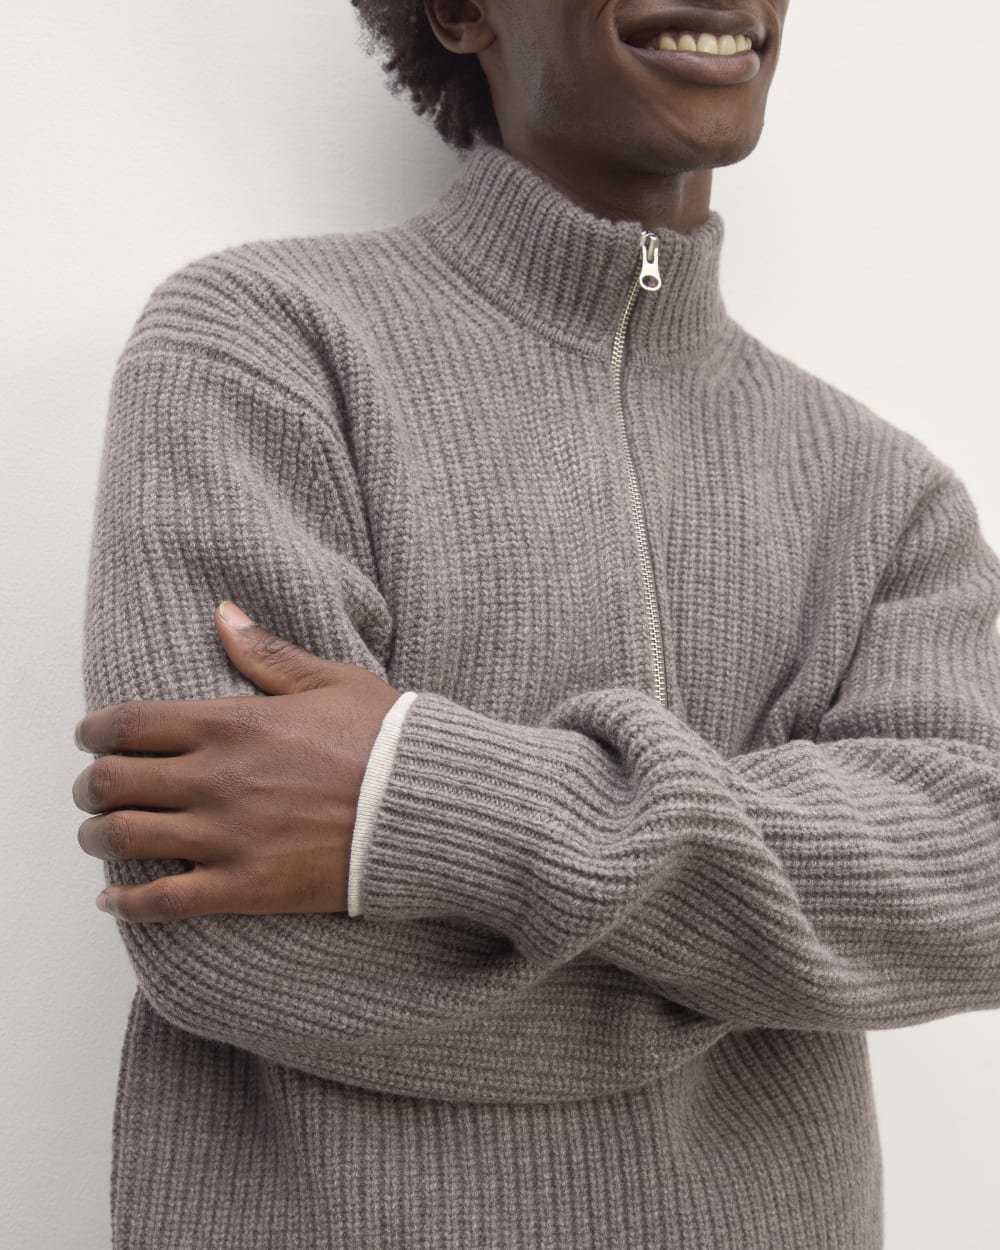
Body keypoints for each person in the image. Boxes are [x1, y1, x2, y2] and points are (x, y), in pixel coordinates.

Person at [73, 2, 1000, 1247]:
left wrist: (422, 804)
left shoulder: (884, 492)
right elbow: (228, 937)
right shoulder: (264, 342)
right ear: (462, 10)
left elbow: (979, 878)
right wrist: (770, 954)